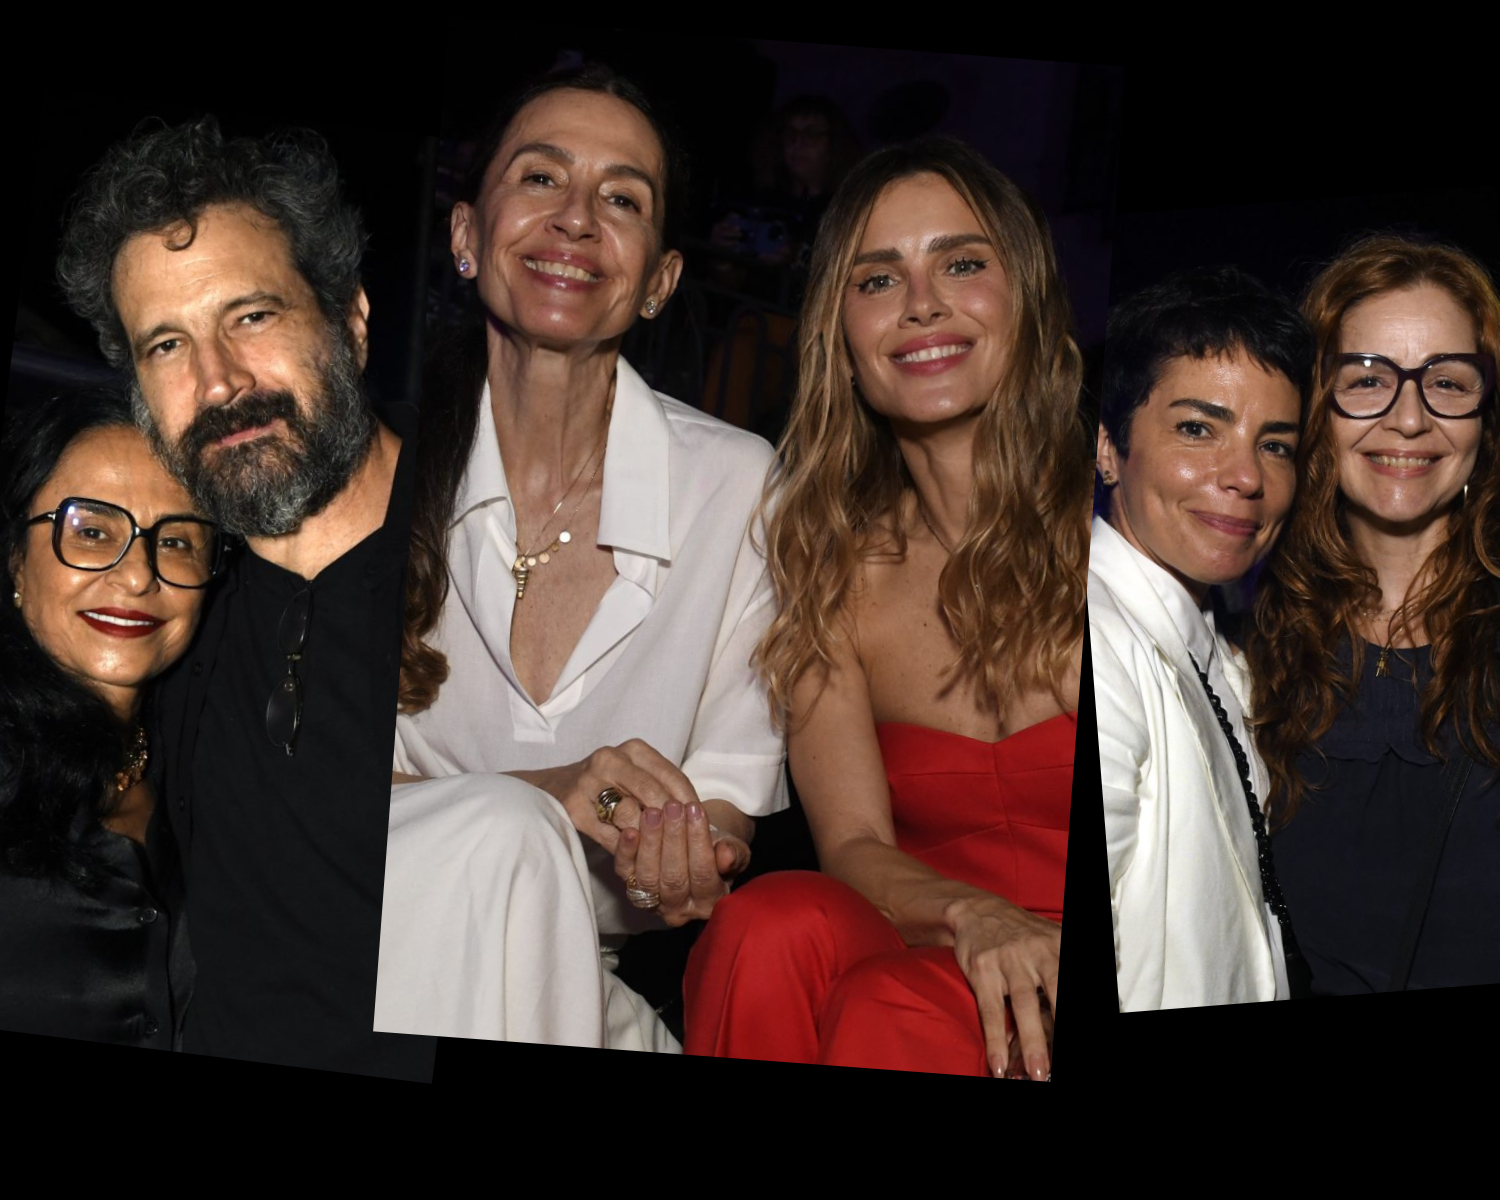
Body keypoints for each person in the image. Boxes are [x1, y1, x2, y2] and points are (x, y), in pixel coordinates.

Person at [373, 66, 786, 1050]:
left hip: (567, 984)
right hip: (369, 935)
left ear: (661, 281)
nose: (576, 218)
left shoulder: (740, 487)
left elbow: (725, 807)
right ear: (466, 235)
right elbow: (299, 785)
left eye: (622, 199)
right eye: (541, 178)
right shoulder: (371, 471)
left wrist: (681, 857)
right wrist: (542, 797)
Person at [682, 137, 1085, 1080]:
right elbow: (856, 845)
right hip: (938, 938)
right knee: (766, 922)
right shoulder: (833, 569)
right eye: (877, 279)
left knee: (890, 1004)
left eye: (963, 263)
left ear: (1025, 296)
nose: (921, 303)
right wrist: (973, 914)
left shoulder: (1111, 533)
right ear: (843, 340)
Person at [55, 117, 435, 1080]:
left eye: (252, 317)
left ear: (351, 321)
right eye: (167, 344)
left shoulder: (495, 545)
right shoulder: (165, 597)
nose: (218, 382)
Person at [1247, 235, 1500, 994]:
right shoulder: (1249, 640)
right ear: (1313, 406)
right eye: (1366, 379)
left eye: (1447, 382)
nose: (1409, 419)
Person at [1092, 267, 1314, 1011]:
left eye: (1275, 445)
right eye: (1198, 429)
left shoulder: (1222, 657)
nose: (1246, 476)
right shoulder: (1099, 643)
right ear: (1108, 447)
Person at [1, 391, 220, 1047]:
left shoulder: (204, 779)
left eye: (175, 541)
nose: (136, 577)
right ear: (15, 560)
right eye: (92, 531)